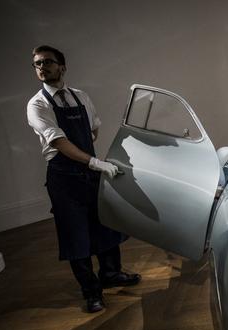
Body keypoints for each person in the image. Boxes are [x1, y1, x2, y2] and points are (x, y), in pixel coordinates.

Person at [27, 45, 140, 313]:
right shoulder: (38, 104)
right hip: (64, 178)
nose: (42, 67)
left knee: (105, 224)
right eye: (37, 64)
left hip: (90, 172)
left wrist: (92, 161)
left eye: (47, 62)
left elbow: (93, 129)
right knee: (75, 235)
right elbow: (59, 142)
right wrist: (93, 161)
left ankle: (111, 274)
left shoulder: (80, 96)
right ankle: (92, 292)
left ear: (62, 66)